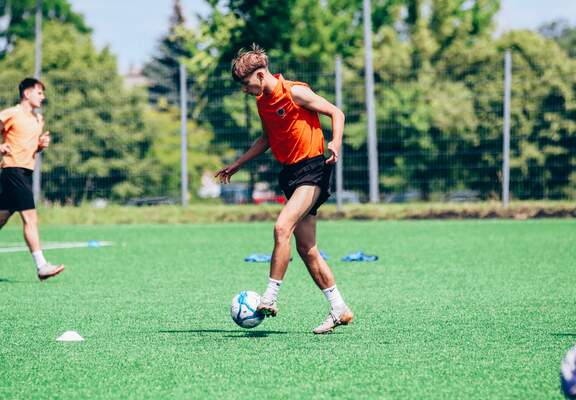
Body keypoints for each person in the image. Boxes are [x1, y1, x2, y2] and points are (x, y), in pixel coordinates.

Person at [216, 44, 353, 334]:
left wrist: (336, 141)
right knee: (307, 249)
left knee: (282, 228)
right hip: (291, 175)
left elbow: (336, 112)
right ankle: (339, 308)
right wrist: (238, 164)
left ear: (261, 75)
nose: (245, 90)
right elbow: (267, 138)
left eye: (246, 83)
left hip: (313, 169)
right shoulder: (262, 102)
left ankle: (270, 296)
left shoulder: (295, 92)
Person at [0, 78, 64, 281]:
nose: (43, 97)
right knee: (30, 218)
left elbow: (30, 146)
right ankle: (41, 266)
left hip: (25, 172)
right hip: (13, 170)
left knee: (1, 217)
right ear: (27, 94)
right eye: (39, 93)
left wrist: (40, 145)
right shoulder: (12, 113)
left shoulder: (38, 119)